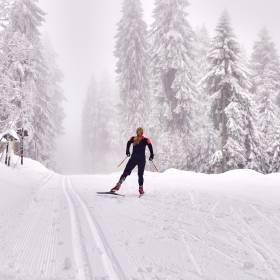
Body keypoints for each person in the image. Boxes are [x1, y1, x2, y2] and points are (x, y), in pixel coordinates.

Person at [111, 127, 154, 195]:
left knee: (126, 172)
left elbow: (128, 143)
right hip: (141, 160)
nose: (141, 133)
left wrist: (127, 151)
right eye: (141, 132)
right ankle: (141, 188)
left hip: (134, 159)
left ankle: (118, 185)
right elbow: (150, 146)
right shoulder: (145, 139)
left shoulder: (134, 138)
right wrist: (151, 155)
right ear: (142, 132)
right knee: (140, 174)